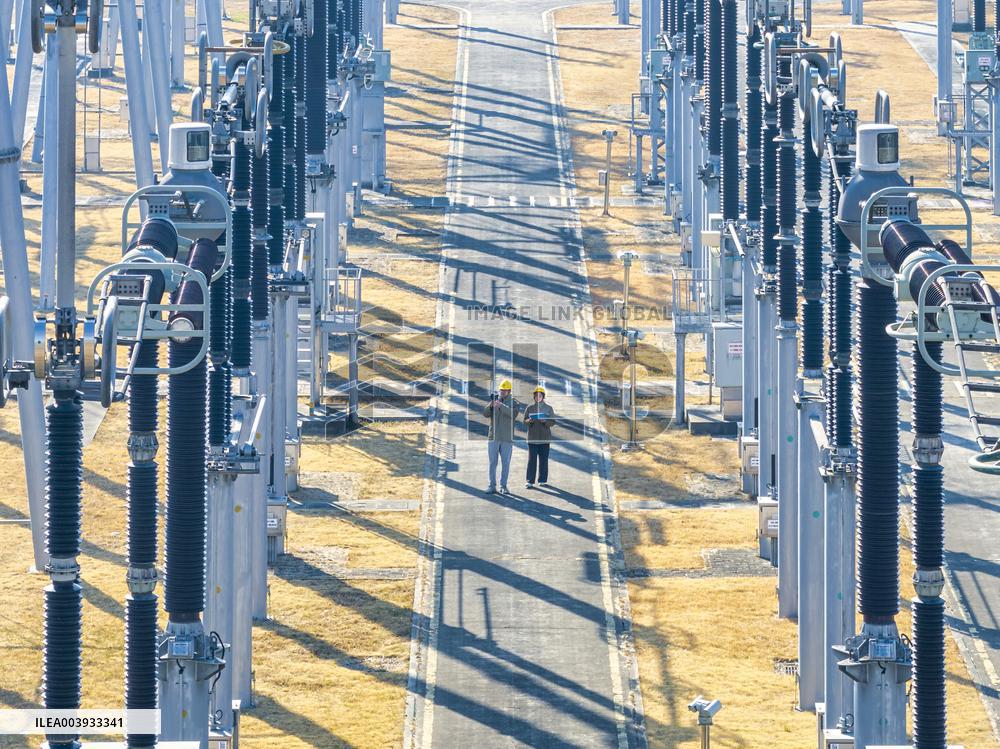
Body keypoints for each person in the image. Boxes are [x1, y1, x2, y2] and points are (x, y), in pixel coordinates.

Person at [483, 379, 520, 494]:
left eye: (504, 390)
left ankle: (503, 486)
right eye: (501, 390)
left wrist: (501, 406)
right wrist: (491, 405)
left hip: (507, 438)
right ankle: (491, 486)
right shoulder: (495, 400)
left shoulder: (514, 403)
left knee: (505, 463)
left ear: (509, 391)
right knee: (492, 463)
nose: (502, 392)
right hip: (493, 437)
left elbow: (513, 414)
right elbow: (485, 414)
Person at [523, 385, 555, 488]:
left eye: (540, 395)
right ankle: (530, 481)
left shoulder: (549, 408)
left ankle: (542, 480)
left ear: (543, 396)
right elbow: (524, 421)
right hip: (532, 439)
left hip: (544, 439)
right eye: (536, 396)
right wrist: (530, 421)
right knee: (531, 461)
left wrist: (545, 421)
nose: (538, 397)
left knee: (543, 460)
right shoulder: (530, 408)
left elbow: (553, 422)